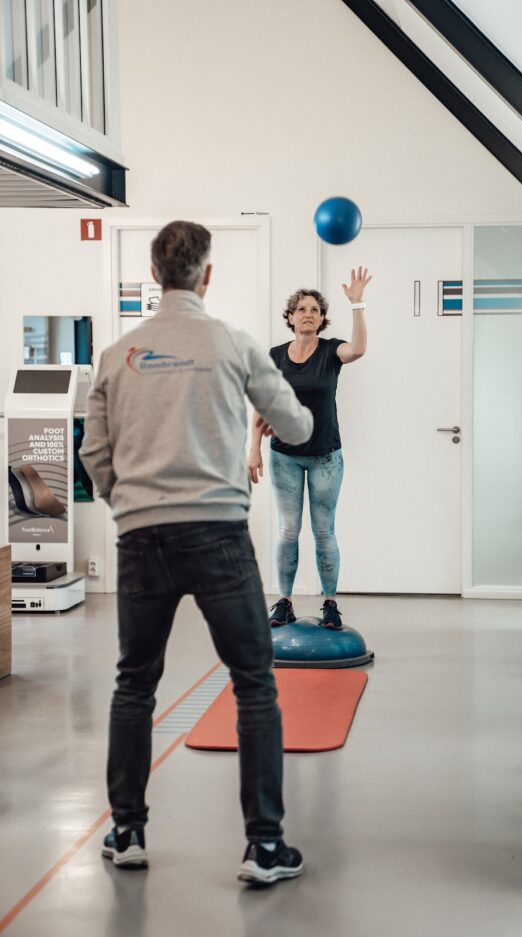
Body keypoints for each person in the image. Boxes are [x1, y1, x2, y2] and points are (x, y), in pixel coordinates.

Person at [79, 220, 313, 886]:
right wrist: (271, 413)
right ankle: (263, 846)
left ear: (156, 276)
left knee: (134, 682)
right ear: (206, 276)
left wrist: (126, 499)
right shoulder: (233, 343)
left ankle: (126, 830)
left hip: (141, 536)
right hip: (218, 534)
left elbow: (93, 454)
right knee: (254, 682)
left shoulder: (118, 354)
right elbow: (296, 424)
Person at [248, 267, 371, 630]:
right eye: (301, 309)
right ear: (290, 317)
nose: (308, 314)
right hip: (284, 454)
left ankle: (330, 604)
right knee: (288, 530)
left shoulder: (332, 352)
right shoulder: (274, 356)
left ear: (321, 319)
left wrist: (358, 304)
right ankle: (283, 602)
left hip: (325, 456)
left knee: (323, 531)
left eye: (315, 310)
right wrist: (253, 448)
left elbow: (360, 348)